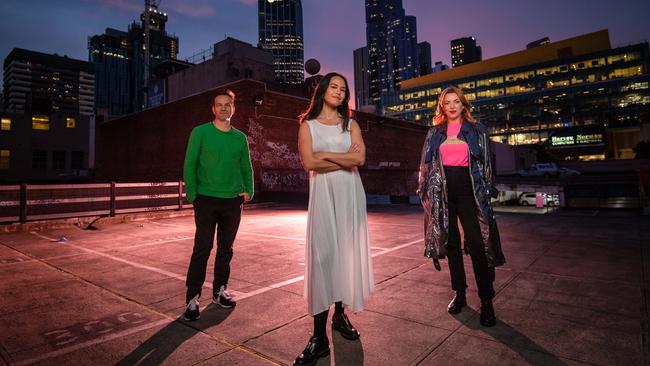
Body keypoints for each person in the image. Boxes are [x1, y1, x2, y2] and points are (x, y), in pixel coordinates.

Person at [293, 72, 374, 365]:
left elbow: (360, 160)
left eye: (343, 89)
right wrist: (341, 157)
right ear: (323, 90)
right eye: (334, 86)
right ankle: (318, 338)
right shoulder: (307, 126)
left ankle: (339, 316)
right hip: (324, 197)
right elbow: (309, 163)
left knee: (344, 257)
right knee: (323, 258)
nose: (339, 92)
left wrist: (325, 153)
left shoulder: (350, 125)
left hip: (351, 195)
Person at [418, 85, 505, 327]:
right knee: (452, 244)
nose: (452, 106)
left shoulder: (477, 131)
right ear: (442, 107)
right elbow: (425, 167)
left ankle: (486, 300)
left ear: (463, 105)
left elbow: (487, 165)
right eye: (448, 102)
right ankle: (460, 293)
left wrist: (487, 192)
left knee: (477, 244)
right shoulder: (434, 133)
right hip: (444, 193)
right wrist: (424, 191)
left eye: (457, 101)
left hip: (470, 192)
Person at [181, 90, 254, 321]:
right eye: (219, 105)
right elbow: (189, 164)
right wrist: (193, 195)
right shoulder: (200, 132)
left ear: (233, 108)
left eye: (228, 104)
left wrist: (248, 191)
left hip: (232, 201)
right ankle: (192, 298)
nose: (223, 108)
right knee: (202, 249)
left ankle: (220, 291)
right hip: (206, 199)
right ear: (213, 109)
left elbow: (246, 166)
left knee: (226, 249)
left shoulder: (240, 138)